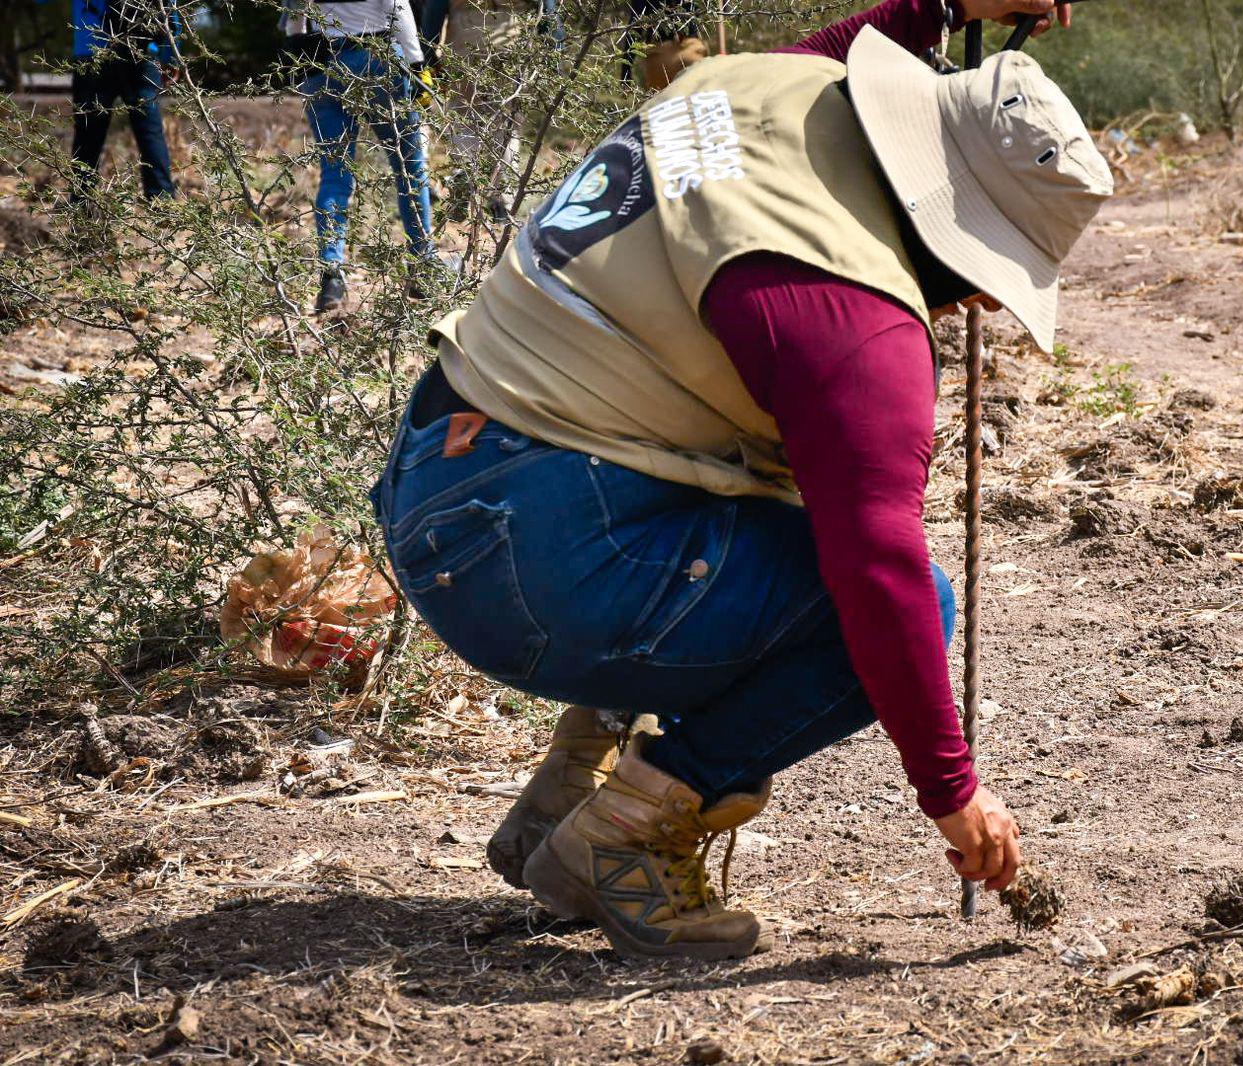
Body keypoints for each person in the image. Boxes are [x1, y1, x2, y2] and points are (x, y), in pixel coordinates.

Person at [370, 0, 1110, 960]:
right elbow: (879, 574)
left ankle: (575, 780)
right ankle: (625, 835)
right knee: (905, 606)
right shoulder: (856, 328)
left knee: (747, 488)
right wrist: (953, 792)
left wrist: (941, 8)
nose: (973, 299)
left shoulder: (755, 89)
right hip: (530, 564)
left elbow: (846, 55)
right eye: (986, 272)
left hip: (441, 473)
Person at [281, 0, 449, 314]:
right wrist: (416, 67)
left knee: (335, 173)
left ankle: (331, 276)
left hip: (324, 62)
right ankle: (423, 266)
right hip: (379, 58)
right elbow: (397, 8)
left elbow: (294, 21)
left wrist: (302, 55)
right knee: (409, 170)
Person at [417, 0, 563, 225]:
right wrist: (555, 58)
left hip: (464, 52)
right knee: (507, 129)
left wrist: (430, 60)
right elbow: (550, 16)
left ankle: (466, 175)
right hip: (510, 53)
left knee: (465, 122)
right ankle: (501, 203)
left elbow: (432, 21)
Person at [66, 0, 183, 203]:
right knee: (150, 131)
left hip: (92, 50)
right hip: (141, 51)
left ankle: (81, 204)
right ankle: (161, 201)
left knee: (88, 133)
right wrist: (170, 57)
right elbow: (169, 11)